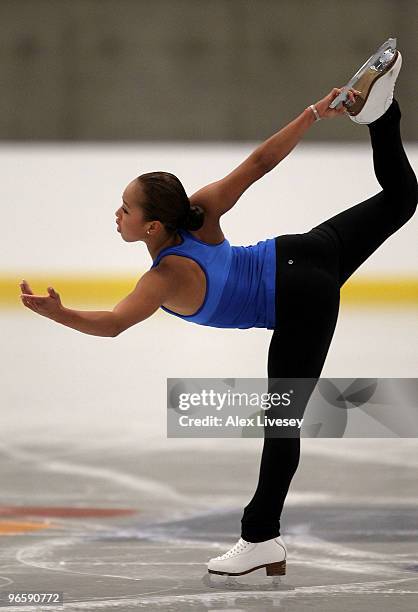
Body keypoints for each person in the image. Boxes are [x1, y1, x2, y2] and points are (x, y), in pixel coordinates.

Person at [20, 47, 416, 579]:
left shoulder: (162, 279)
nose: (117, 214)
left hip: (299, 296)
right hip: (304, 252)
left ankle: (260, 539)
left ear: (152, 227)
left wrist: (56, 314)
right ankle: (381, 116)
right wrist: (313, 113)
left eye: (126, 209)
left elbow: (112, 324)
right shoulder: (200, 213)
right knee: (400, 199)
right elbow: (259, 164)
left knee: (282, 420)